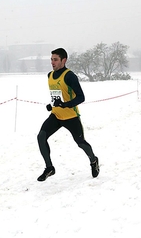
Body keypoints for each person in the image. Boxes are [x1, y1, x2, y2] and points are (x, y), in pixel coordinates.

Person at [36, 48, 99, 181]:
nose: (52, 62)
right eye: (51, 59)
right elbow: (57, 96)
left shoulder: (70, 76)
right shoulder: (50, 75)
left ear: (63, 60)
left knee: (80, 143)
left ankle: (93, 160)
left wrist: (65, 104)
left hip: (71, 117)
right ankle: (49, 168)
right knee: (41, 136)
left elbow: (81, 98)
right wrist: (51, 104)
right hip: (56, 115)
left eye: (55, 59)